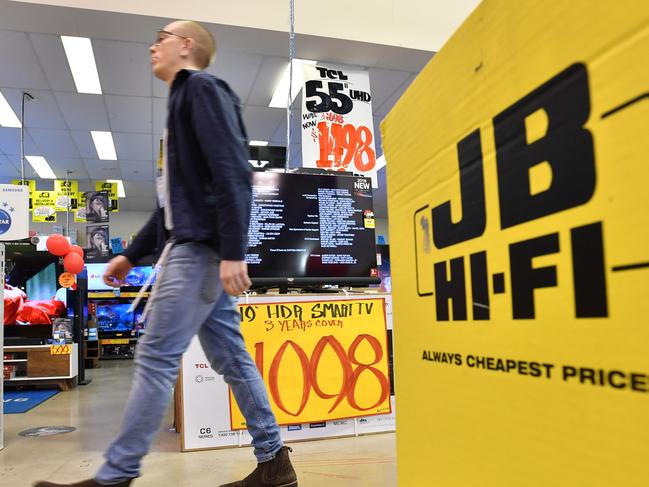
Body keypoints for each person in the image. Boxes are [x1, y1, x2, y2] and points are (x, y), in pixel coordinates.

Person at [35, 20, 297, 487]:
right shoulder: (181, 105)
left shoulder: (200, 89)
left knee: (155, 357)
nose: (153, 44)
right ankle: (274, 463)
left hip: (197, 255)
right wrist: (128, 256)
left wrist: (234, 250)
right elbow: (170, 209)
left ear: (186, 44)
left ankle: (116, 476)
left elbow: (234, 172)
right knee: (233, 360)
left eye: (163, 35)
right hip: (198, 250)